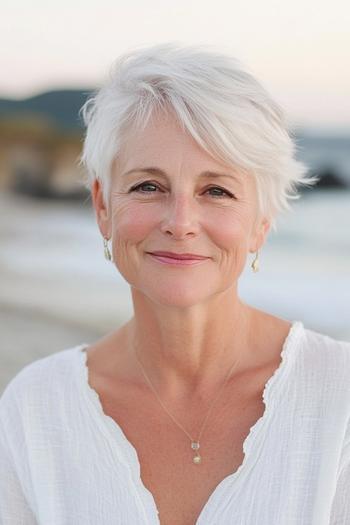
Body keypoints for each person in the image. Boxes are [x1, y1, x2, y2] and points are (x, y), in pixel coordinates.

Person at [0, 42, 349, 525]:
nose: (181, 222)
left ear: (261, 222)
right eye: (149, 186)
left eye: (216, 191)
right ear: (103, 206)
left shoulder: (340, 398)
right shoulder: (35, 409)